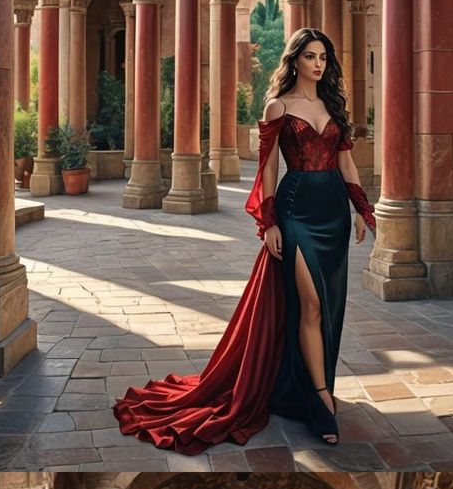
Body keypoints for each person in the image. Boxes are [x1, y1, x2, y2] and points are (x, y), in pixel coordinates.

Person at [114, 29, 376, 452]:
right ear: (295, 60)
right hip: (295, 212)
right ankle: (320, 400)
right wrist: (270, 223)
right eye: (310, 56)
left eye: (323, 57)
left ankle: (309, 385)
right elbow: (268, 168)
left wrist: (361, 209)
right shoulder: (278, 106)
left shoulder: (332, 105)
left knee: (328, 305)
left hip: (333, 214)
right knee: (310, 303)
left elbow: (346, 163)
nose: (318, 64)